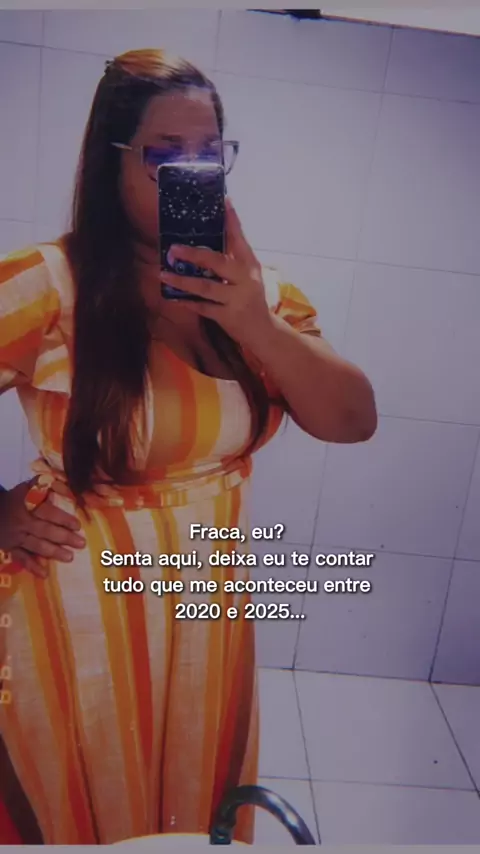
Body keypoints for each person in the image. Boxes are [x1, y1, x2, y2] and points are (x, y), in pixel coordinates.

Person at [0, 48, 377, 845]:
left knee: (189, 801)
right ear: (112, 160)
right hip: (79, 610)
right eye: (162, 155)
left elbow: (353, 419)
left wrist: (254, 323)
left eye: (207, 153)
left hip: (206, 608)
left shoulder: (258, 295)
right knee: (87, 805)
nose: (188, 172)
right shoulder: (50, 283)